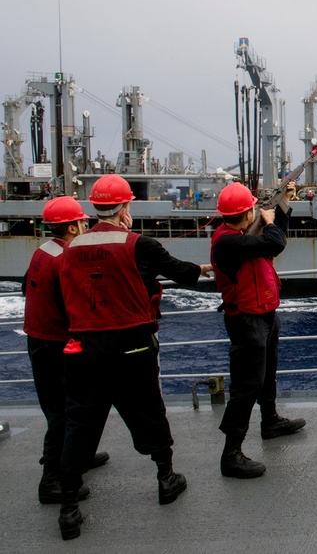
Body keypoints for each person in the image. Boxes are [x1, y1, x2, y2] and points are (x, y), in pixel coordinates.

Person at [56, 174, 212, 540]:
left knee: (80, 423)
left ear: (94, 208)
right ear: (125, 207)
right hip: (132, 345)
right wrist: (202, 269)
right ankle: (166, 477)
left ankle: (68, 507)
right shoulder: (139, 245)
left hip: (83, 348)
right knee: (147, 411)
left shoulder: (71, 248)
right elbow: (182, 273)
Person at [210, 182, 305, 480]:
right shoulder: (228, 242)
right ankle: (231, 453)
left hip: (264, 312)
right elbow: (275, 243)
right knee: (246, 386)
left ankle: (270, 421)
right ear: (247, 211)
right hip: (245, 320)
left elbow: (275, 238)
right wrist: (270, 220)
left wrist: (284, 203)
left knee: (266, 374)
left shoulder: (240, 236)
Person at [23, 196, 109, 505]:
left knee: (62, 408)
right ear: (72, 227)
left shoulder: (42, 252)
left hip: (38, 340)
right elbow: (76, 305)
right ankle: (51, 481)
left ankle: (79, 454)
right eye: (84, 223)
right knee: (64, 412)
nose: (87, 226)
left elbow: (27, 289)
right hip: (55, 346)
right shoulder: (64, 260)